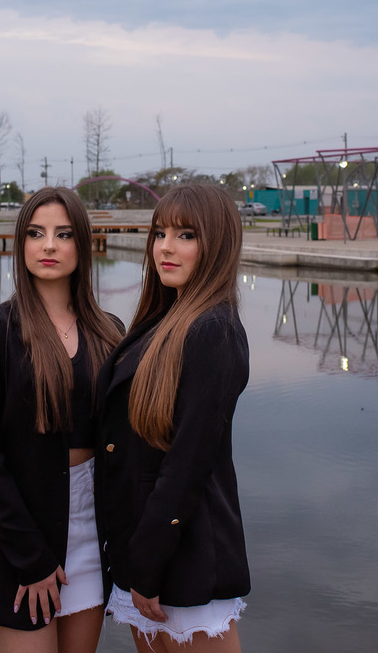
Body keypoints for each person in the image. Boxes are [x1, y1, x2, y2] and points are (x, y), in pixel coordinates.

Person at [0, 187, 124, 653]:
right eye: (36, 233)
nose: (48, 245)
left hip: (91, 528)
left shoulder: (110, 331)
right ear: (21, 244)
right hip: (20, 533)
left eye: (63, 234)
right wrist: (30, 557)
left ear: (82, 245)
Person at [95, 184, 251, 652]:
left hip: (181, 555)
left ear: (216, 244)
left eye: (186, 235)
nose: (165, 246)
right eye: (160, 233)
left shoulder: (213, 330)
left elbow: (188, 464)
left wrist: (147, 565)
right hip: (144, 551)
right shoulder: (163, 320)